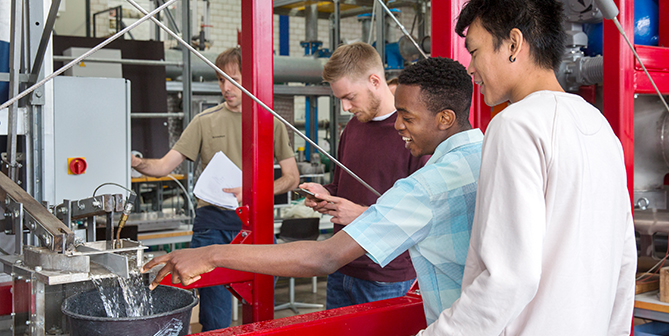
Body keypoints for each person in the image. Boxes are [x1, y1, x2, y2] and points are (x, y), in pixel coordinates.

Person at [143, 57, 483, 325]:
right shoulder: (485, 154)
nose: (397, 125)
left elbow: (324, 256)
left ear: (445, 118)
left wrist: (211, 254)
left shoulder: (428, 185)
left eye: (407, 117)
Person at [419, 0, 637, 335]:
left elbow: (508, 278)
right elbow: (624, 260)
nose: (471, 69)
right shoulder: (599, 126)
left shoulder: (515, 125)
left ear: (513, 44)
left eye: (475, 52)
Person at [131, 47, 299, 331]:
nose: (226, 87)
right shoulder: (204, 122)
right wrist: (134, 161)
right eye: (221, 79)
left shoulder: (270, 122)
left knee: (263, 309)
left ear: (252, 80)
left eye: (233, 79)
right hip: (212, 227)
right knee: (215, 315)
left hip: (257, 227)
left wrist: (256, 192)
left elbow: (291, 178)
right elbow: (161, 167)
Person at [298, 42, 426, 310]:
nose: (345, 107)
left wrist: (358, 214)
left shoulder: (414, 133)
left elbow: (420, 217)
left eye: (350, 97)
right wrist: (326, 194)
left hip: (384, 277)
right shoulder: (354, 128)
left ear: (374, 81)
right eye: (340, 99)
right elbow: (343, 185)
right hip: (340, 264)